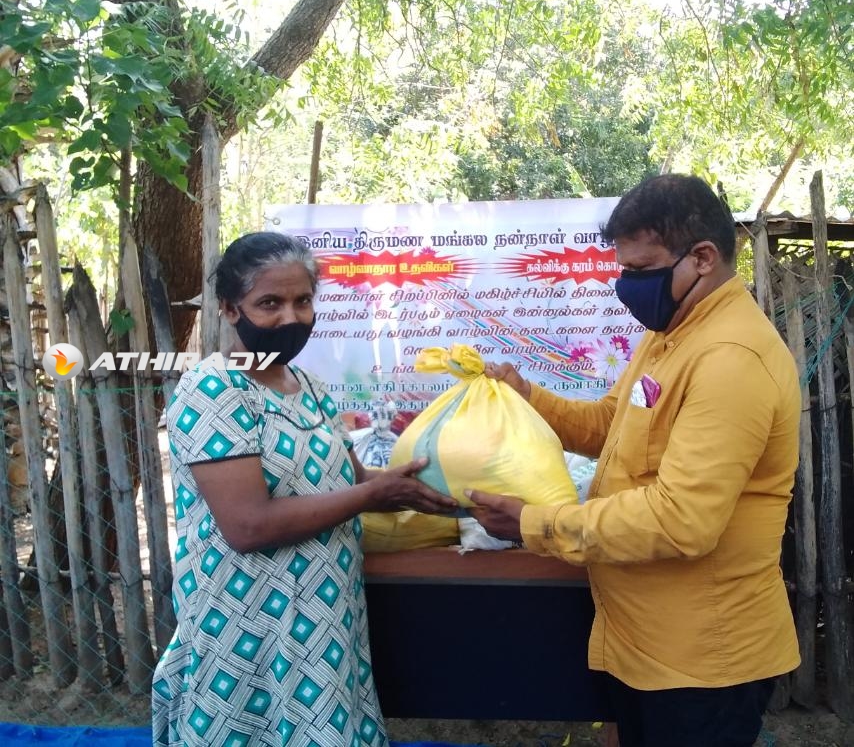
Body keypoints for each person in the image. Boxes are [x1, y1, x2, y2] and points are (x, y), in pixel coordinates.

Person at [467, 175, 800, 747]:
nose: (627, 286)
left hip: (701, 662)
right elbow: (612, 426)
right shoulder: (671, 333)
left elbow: (680, 520)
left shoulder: (732, 359)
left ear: (702, 258)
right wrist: (527, 398)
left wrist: (532, 524)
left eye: (641, 270)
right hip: (643, 645)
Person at [152, 232, 457, 746]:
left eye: (303, 301)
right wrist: (372, 497)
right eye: (269, 303)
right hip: (248, 622)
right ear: (230, 309)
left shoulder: (308, 387)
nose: (291, 317)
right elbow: (248, 525)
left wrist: (425, 481)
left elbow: (350, 479)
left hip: (323, 615)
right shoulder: (214, 389)